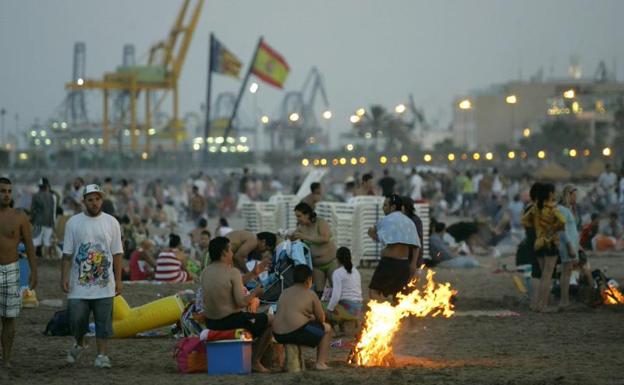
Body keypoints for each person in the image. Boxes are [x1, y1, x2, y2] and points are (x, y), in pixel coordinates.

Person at [61, 184, 123, 368]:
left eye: (97, 199)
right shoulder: (73, 223)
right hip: (78, 285)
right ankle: (80, 343)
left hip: (104, 284)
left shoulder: (112, 222)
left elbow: (117, 253)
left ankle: (102, 355)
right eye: (90, 199)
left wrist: (118, 279)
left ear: (101, 200)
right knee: (76, 318)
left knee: (103, 323)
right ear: (84, 202)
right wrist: (63, 277)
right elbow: (67, 254)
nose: (94, 203)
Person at [201, 237, 271, 373]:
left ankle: (253, 355)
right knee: (272, 321)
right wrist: (256, 292)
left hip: (210, 322)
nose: (232, 254)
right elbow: (241, 302)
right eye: (231, 251)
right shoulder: (232, 272)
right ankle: (255, 361)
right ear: (223, 253)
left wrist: (253, 274)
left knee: (255, 317)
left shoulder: (205, 272)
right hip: (230, 321)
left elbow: (230, 283)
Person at [0, 177, 37, 369]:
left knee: (9, 318)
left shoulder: (19, 217)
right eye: (2, 191)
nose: (6, 194)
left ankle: (6, 359)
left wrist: (34, 271)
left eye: (8, 191)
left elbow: (30, 246)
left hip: (11, 270)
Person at [273, 265, 331, 371]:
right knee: (327, 328)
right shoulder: (311, 294)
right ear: (309, 279)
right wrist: (313, 318)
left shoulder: (284, 292)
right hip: (295, 333)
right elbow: (321, 319)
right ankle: (320, 363)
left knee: (304, 327)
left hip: (277, 334)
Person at [521, 183, 565, 312]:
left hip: (538, 243)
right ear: (550, 194)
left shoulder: (534, 208)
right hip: (550, 242)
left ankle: (537, 304)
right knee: (547, 275)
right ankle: (543, 305)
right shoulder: (552, 208)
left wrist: (535, 228)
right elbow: (562, 221)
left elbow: (524, 220)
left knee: (540, 273)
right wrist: (553, 229)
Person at [367, 194, 420, 300]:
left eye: (385, 205)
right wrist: (413, 264)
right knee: (399, 296)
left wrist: (371, 233)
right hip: (404, 264)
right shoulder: (409, 222)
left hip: (389, 263)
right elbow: (416, 245)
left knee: (374, 291)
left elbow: (376, 235)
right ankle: (397, 316)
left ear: (393, 207)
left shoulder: (387, 219)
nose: (383, 208)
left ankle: (381, 314)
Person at [292, 202, 337, 296]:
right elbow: (293, 238)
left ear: (307, 214)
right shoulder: (301, 228)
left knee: (336, 289)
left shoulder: (320, 222)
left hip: (331, 262)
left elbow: (325, 238)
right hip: (316, 265)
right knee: (318, 292)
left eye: (299, 216)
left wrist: (305, 236)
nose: (297, 219)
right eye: (296, 216)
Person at [326, 247, 363, 332]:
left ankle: (336, 329)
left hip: (348, 307)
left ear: (337, 259)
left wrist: (329, 309)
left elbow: (336, 296)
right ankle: (350, 323)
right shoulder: (356, 271)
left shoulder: (337, 273)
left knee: (323, 306)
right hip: (358, 308)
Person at [557, 185, 580, 308]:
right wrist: (570, 246)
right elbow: (562, 230)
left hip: (571, 244)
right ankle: (564, 300)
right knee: (566, 272)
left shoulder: (568, 209)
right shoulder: (561, 209)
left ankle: (565, 300)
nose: (576, 198)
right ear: (568, 195)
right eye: (574, 196)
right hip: (567, 244)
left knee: (568, 271)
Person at [31, 177, 56, 259]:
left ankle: (33, 259)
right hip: (49, 222)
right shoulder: (52, 196)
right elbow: (53, 211)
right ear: (46, 186)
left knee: (35, 241)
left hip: (38, 222)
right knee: (47, 242)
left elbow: (33, 210)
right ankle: (46, 259)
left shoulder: (35, 196)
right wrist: (53, 224)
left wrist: (32, 220)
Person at [401, 196, 424, 267]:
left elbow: (416, 242)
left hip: (412, 258)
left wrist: (414, 262)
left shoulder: (415, 220)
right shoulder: (399, 219)